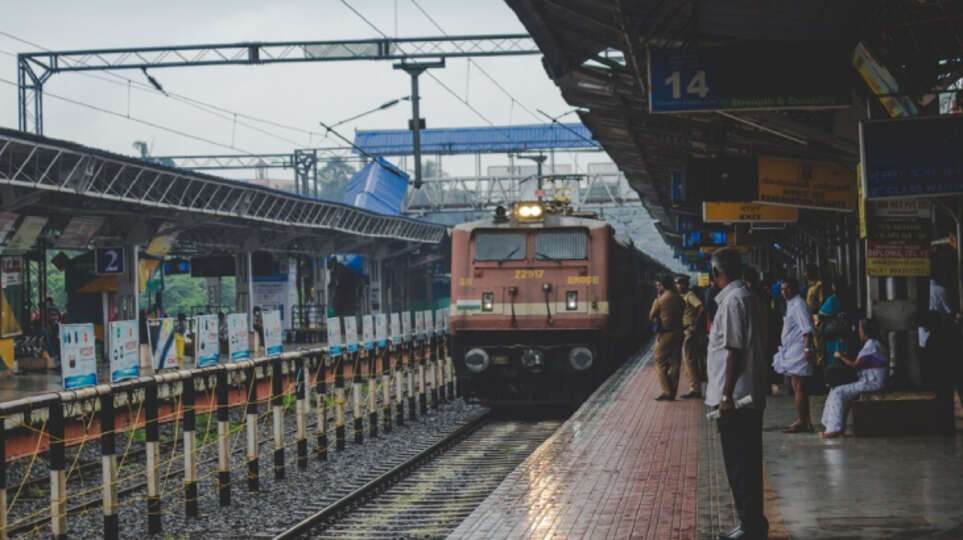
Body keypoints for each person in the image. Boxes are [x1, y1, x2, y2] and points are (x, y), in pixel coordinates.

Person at [706, 248, 768, 540]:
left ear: (717, 272)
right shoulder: (750, 297)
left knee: (740, 466)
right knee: (749, 463)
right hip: (750, 394)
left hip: (737, 400)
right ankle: (753, 524)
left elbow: (734, 351)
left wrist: (726, 396)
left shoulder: (732, 302)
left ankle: (750, 528)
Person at [820, 319, 888, 439]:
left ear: (865, 331)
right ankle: (833, 426)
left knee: (839, 392)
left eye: (860, 330)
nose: (859, 332)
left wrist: (840, 356)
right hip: (869, 380)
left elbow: (855, 365)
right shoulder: (874, 343)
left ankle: (834, 429)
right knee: (835, 389)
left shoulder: (872, 344)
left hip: (873, 382)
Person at [772, 277, 815, 433]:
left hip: (799, 350)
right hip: (792, 349)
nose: (784, 292)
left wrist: (807, 349)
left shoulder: (798, 305)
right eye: (782, 289)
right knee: (798, 386)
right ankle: (805, 421)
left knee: (798, 386)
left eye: (787, 289)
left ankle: (802, 421)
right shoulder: (791, 304)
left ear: (795, 288)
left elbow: (807, 329)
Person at [649, 275, 684, 401]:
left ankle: (666, 391)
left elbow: (651, 316)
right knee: (675, 363)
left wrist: (657, 301)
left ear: (663, 285)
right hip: (679, 333)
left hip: (666, 334)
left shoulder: (660, 300)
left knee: (659, 361)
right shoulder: (679, 298)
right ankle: (673, 391)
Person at [676, 275, 706, 399]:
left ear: (684, 285)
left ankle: (695, 389)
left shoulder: (689, 295)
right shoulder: (684, 296)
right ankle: (694, 386)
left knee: (689, 359)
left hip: (689, 330)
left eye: (678, 284)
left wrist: (694, 324)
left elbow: (701, 307)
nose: (676, 286)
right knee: (689, 359)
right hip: (687, 330)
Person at [817, 278, 850, 367]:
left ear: (834, 287)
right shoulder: (849, 298)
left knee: (833, 359)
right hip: (846, 333)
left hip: (834, 334)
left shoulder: (832, 299)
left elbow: (820, 315)